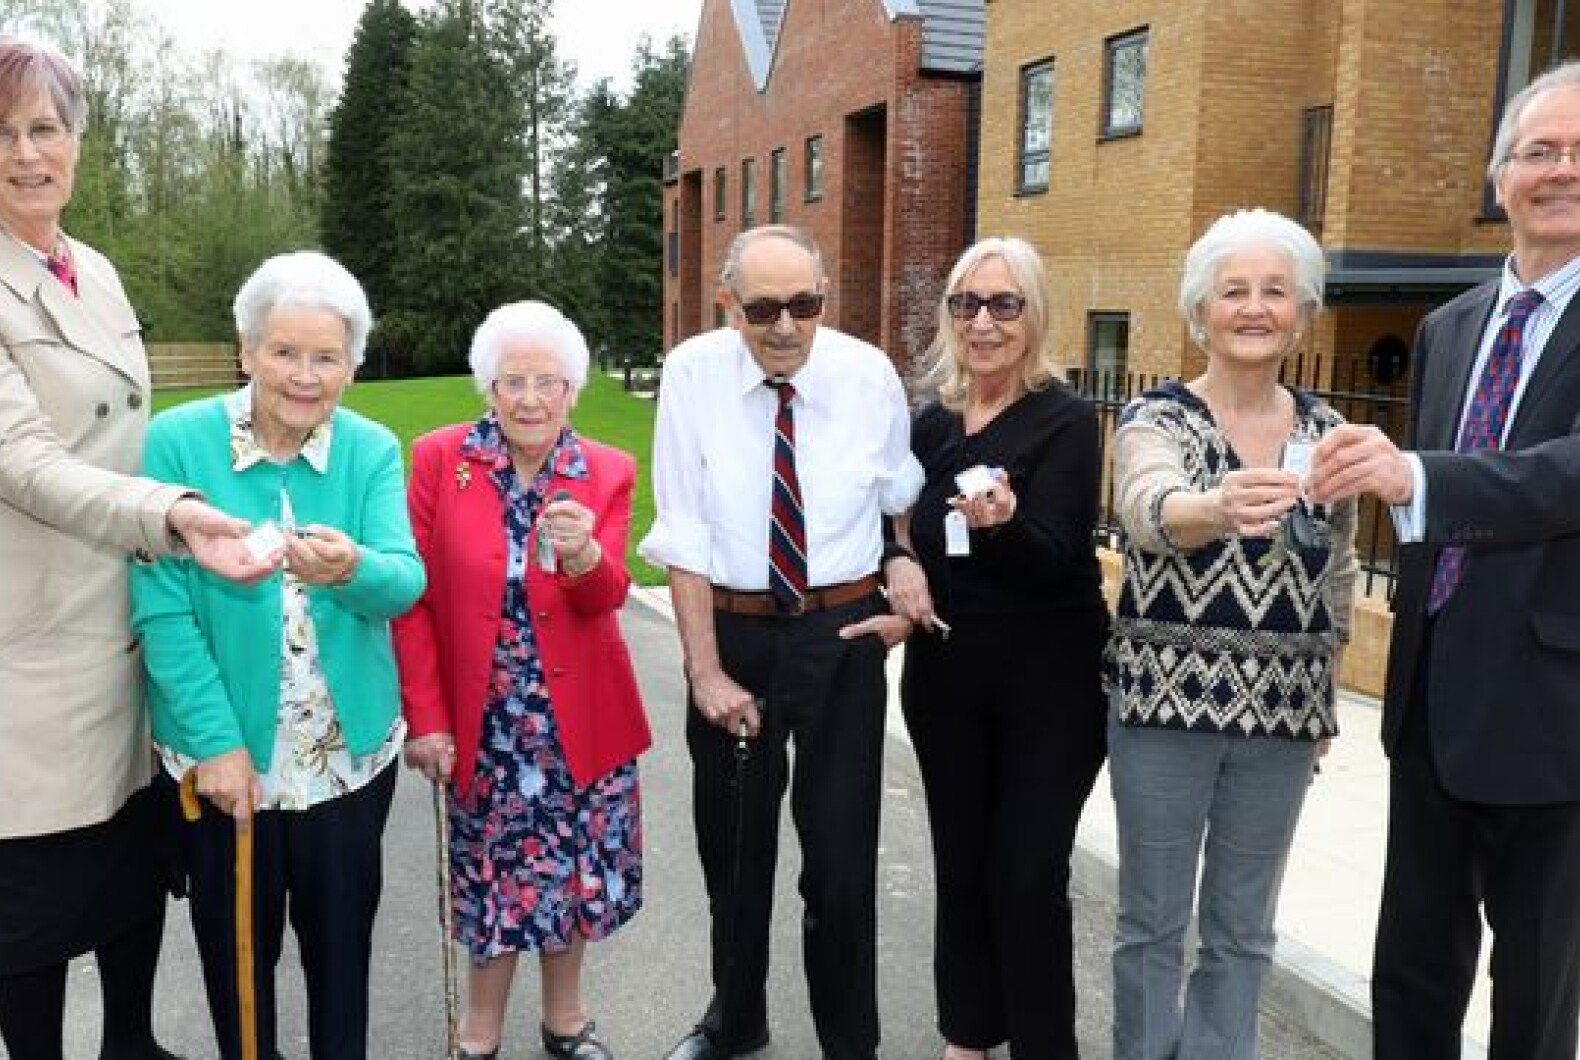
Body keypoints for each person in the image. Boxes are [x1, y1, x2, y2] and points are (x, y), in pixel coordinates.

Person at [0, 35, 274, 1060]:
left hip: (129, 626)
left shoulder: (95, 269)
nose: (27, 153)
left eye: (46, 128)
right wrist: (173, 513)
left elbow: (126, 428)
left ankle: (133, 1043)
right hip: (32, 644)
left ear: (75, 142)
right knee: (30, 900)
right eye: (4, 133)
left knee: (129, 863)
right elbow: (22, 460)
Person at [1309, 61, 1580, 1060]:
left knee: (1534, 997)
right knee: (1411, 971)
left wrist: (1410, 475)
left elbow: (1562, 476)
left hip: (1553, 714)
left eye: (1578, 153)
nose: (1558, 170)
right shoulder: (1446, 325)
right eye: (1538, 151)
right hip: (1427, 705)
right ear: (1496, 174)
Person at [128, 251, 425, 1060]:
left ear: (352, 366)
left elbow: (403, 581)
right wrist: (218, 746)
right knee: (239, 975)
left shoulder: (369, 450)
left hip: (345, 766)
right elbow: (161, 610)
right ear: (247, 350)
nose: (303, 375)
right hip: (229, 770)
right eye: (284, 352)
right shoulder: (180, 443)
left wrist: (353, 569)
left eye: (326, 357)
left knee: (341, 965)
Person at [641, 224, 921, 1060]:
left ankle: (850, 1043)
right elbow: (682, 530)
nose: (787, 325)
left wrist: (902, 568)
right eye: (764, 307)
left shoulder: (867, 374)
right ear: (730, 305)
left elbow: (897, 494)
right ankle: (737, 1018)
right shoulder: (691, 375)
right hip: (734, 632)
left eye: (806, 303)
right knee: (735, 853)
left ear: (824, 294)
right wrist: (704, 671)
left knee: (839, 865)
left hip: (840, 634)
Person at [1105, 208, 1357, 1060]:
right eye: (1233, 291)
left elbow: (1340, 572)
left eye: (1275, 292)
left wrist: (1324, 695)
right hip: (1163, 711)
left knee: (1244, 931)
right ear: (1200, 311)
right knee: (1152, 925)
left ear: (1302, 312)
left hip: (1282, 721)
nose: (1254, 308)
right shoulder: (1158, 418)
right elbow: (1145, 505)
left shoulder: (1327, 434)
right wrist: (1211, 509)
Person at [394, 301, 650, 1060]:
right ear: (489, 389)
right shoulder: (443, 459)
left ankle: (566, 1021)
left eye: (548, 382)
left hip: (580, 721)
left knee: (572, 874)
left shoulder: (605, 469)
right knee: (491, 879)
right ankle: (480, 1031)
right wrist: (427, 717)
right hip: (489, 722)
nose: (531, 399)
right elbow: (415, 600)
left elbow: (604, 601)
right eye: (513, 382)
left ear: (573, 390)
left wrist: (584, 560)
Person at [880, 236, 1108, 1060]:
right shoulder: (928, 423)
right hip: (946, 678)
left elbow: (1054, 561)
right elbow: (888, 523)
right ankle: (967, 1036)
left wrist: (1005, 526)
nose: (983, 322)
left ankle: (1045, 1046)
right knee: (964, 865)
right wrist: (899, 561)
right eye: (967, 304)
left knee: (1027, 875)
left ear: (1034, 314)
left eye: (1004, 304)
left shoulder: (1068, 422)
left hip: (1051, 682)